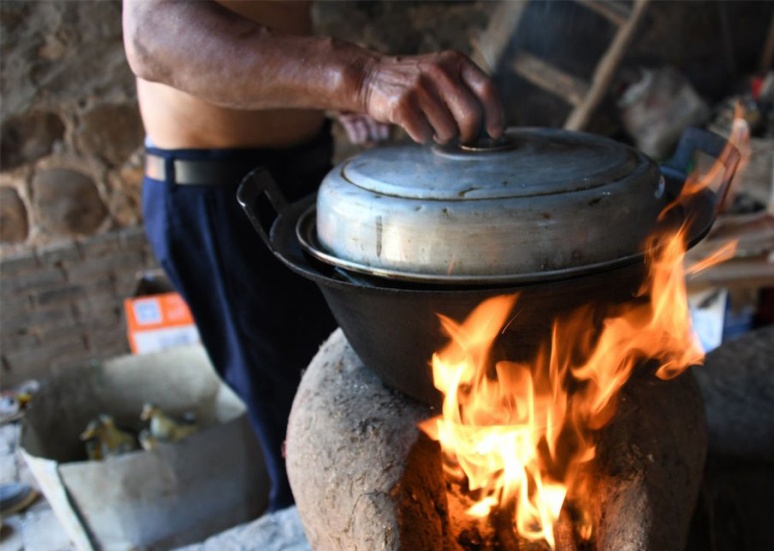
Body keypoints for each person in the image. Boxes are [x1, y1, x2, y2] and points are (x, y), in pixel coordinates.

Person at [121, 0, 504, 512]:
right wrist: (362, 78)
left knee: (343, 406)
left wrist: (319, 93)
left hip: (299, 172)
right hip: (222, 193)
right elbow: (151, 33)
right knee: (300, 435)